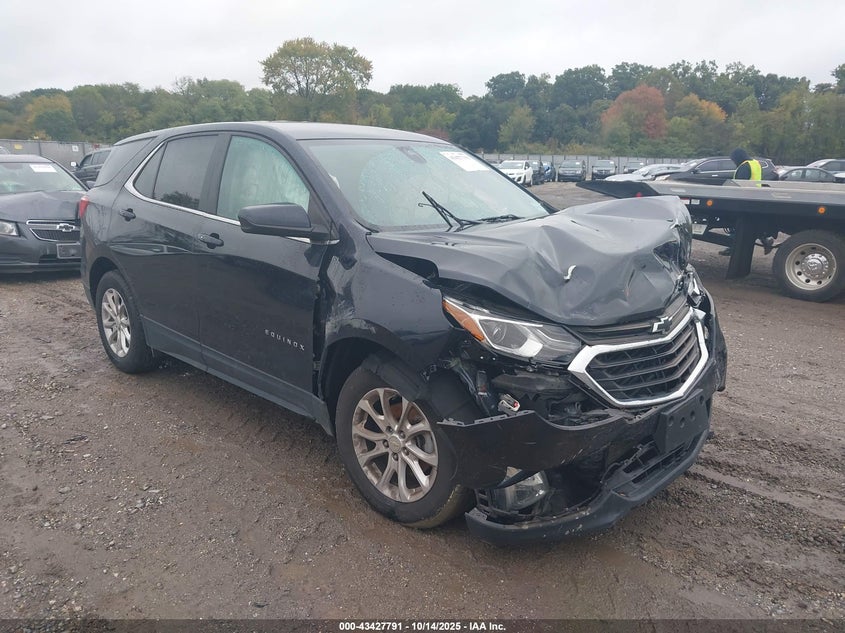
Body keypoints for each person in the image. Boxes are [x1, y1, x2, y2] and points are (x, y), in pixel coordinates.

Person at [720, 148, 764, 255]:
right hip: (755, 197)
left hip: (745, 199)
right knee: (750, 223)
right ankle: (765, 238)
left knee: (736, 223)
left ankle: (733, 247)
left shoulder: (744, 167)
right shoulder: (755, 163)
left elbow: (740, 184)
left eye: (733, 159)